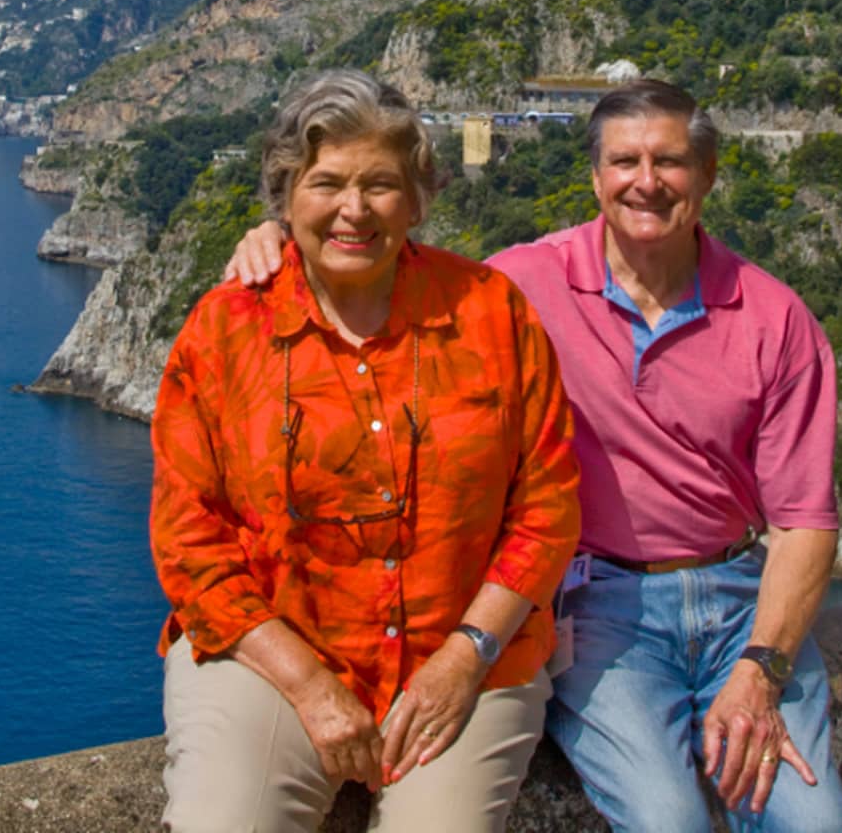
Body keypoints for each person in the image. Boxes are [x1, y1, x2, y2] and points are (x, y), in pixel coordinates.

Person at [224, 78, 842, 832]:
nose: (646, 182)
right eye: (625, 161)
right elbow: (384, 262)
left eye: (670, 162)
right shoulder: (520, 286)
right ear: (595, 178)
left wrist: (763, 667)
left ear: (708, 175)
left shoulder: (775, 317)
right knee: (666, 820)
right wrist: (276, 240)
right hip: (597, 606)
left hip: (740, 605)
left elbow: (805, 522)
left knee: (819, 824)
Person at [150, 69, 581, 833]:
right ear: (287, 197)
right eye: (327, 184)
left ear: (417, 198)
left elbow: (546, 507)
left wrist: (466, 655)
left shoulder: (491, 314)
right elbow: (189, 540)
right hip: (271, 653)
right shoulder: (224, 330)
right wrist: (311, 687)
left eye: (380, 184)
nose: (354, 209)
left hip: (466, 658)